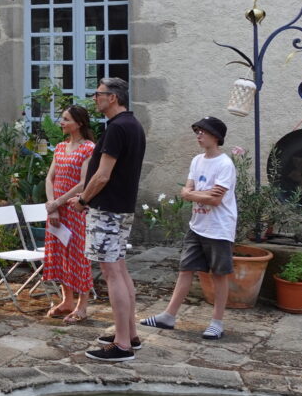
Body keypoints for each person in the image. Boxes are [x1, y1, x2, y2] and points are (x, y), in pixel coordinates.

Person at [68, 77, 147, 362]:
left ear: (113, 97)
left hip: (108, 209)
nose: (95, 99)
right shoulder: (133, 125)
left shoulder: (117, 128)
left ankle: (122, 345)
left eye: (98, 94)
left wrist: (83, 200)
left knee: (112, 272)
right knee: (121, 270)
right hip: (121, 208)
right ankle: (130, 334)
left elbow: (102, 175)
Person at [140, 116, 237, 341]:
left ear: (216, 136)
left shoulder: (225, 164)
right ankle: (168, 316)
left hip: (219, 228)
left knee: (219, 275)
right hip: (198, 226)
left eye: (203, 131)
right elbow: (189, 190)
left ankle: (217, 323)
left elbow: (215, 199)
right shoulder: (196, 160)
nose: (198, 135)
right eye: (197, 131)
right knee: (185, 269)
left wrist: (192, 194)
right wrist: (197, 194)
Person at [43, 105, 98, 322]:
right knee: (60, 253)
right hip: (56, 210)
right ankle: (67, 301)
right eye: (62, 118)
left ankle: (82, 306)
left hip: (75, 209)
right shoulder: (59, 147)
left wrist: (59, 202)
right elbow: (50, 178)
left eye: (66, 119)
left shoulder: (89, 148)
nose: (62, 123)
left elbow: (84, 182)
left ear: (79, 123)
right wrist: (52, 205)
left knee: (78, 256)